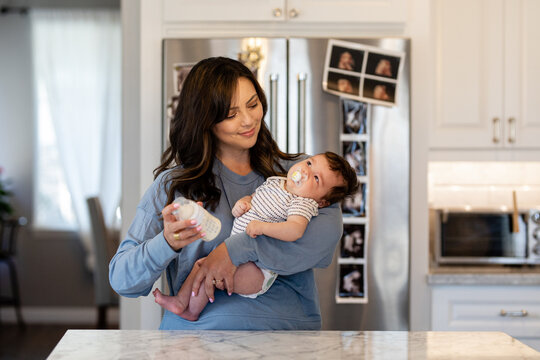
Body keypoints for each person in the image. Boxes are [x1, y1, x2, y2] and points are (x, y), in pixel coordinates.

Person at [109, 57, 346, 330]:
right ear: (205, 120)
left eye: (253, 104)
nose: (248, 120)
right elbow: (123, 281)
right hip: (195, 343)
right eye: (231, 114)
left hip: (286, 339)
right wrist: (167, 242)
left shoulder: (303, 176)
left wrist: (229, 252)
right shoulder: (173, 186)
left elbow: (322, 242)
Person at [153, 152, 359, 321]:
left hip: (258, 271)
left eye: (316, 178)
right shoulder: (277, 182)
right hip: (241, 256)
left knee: (210, 272)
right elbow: (257, 198)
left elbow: (294, 230)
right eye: (309, 163)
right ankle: (181, 302)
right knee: (202, 265)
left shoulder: (302, 203)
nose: (305, 171)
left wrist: (263, 228)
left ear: (321, 202)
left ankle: (190, 310)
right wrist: (245, 202)